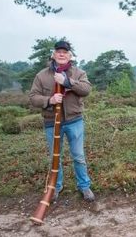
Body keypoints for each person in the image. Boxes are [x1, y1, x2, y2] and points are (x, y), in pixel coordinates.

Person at [29, 40, 95, 202]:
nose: (61, 54)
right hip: (52, 122)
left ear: (69, 55)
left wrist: (67, 82)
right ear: (53, 54)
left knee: (78, 156)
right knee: (55, 157)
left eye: (64, 52)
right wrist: (49, 100)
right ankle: (55, 188)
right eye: (58, 51)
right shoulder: (41, 75)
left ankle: (84, 186)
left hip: (74, 121)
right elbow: (33, 98)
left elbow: (86, 89)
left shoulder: (79, 73)